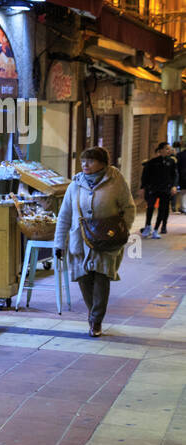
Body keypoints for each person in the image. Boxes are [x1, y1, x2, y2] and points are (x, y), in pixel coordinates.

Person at [55, 147, 136, 337]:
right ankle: (94, 314)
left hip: (107, 240)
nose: (85, 165)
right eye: (83, 161)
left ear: (103, 163)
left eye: (90, 161)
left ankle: (96, 320)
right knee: (84, 278)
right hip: (79, 241)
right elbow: (64, 215)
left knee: (101, 278)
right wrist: (59, 243)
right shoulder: (75, 184)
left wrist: (121, 231)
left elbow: (129, 208)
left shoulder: (116, 180)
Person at [139, 142, 177, 237]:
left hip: (165, 189)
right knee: (150, 207)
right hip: (153, 188)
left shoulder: (171, 162)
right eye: (167, 149)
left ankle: (156, 229)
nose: (169, 151)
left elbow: (174, 175)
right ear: (160, 150)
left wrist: (174, 186)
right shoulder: (152, 162)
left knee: (162, 209)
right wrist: (143, 188)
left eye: (169, 149)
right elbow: (145, 176)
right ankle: (148, 226)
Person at [176, 141, 186, 213]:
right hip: (183, 175)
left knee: (183, 191)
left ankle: (183, 207)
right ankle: (183, 207)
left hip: (182, 176)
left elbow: (177, 167)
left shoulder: (179, 154)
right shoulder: (180, 155)